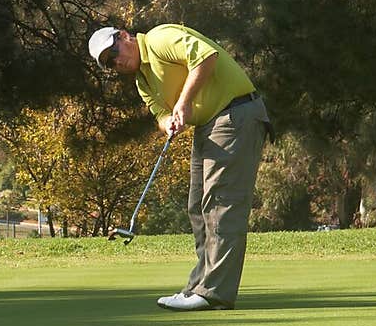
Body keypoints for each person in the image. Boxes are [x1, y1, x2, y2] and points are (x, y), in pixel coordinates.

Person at [88, 22, 272, 311]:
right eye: (109, 64)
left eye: (114, 52)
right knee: (198, 206)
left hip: (235, 114)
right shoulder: (143, 81)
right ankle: (198, 287)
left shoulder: (161, 38)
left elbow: (205, 57)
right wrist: (169, 122)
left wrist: (184, 103)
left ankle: (213, 293)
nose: (117, 62)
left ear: (124, 36)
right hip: (209, 124)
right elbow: (160, 114)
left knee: (221, 204)